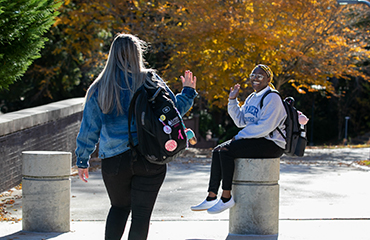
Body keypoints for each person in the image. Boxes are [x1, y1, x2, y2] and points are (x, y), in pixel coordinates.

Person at [75, 33, 197, 240]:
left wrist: (82, 159)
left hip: (114, 161)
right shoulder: (149, 80)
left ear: (112, 55)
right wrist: (188, 92)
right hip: (149, 157)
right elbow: (172, 111)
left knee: (119, 208)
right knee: (141, 216)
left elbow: (89, 129)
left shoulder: (98, 88)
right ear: (137, 54)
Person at [191, 64, 286, 214]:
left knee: (226, 151)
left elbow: (266, 126)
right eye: (253, 76)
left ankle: (226, 197)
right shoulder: (251, 97)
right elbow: (240, 121)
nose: (255, 79)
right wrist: (232, 100)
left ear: (268, 78)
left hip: (272, 143)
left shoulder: (272, 97)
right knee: (217, 151)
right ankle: (211, 197)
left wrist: (239, 136)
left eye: (260, 76)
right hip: (255, 139)